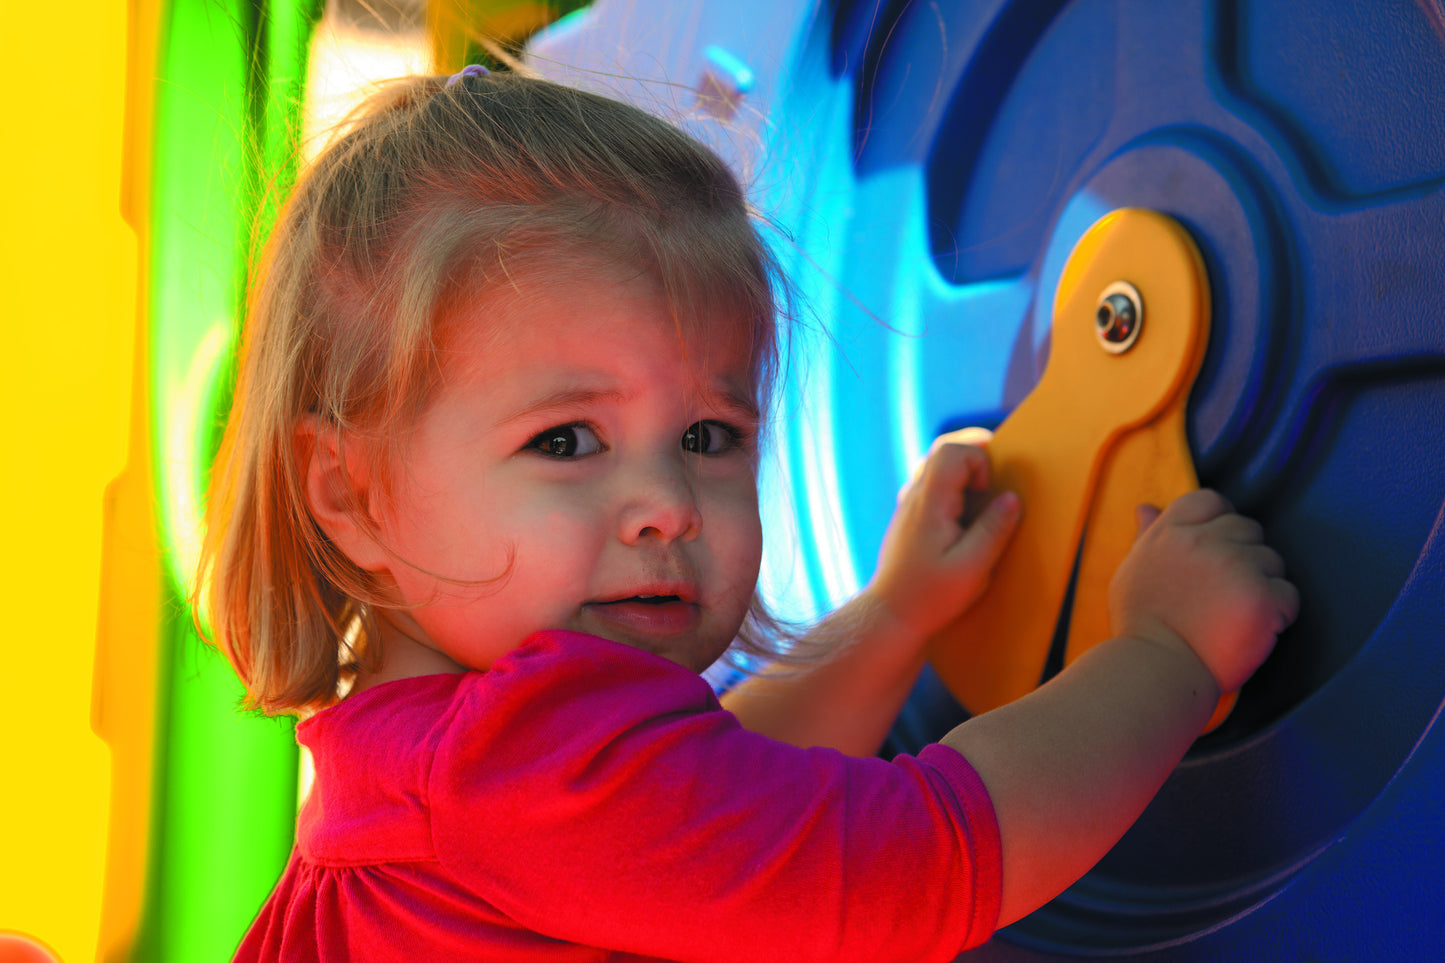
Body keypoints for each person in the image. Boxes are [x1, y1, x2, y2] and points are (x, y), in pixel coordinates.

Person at [197, 65, 1298, 962]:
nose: (666, 506)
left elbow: (726, 812)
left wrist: (898, 615)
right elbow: (917, 864)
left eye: (707, 436)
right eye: (565, 441)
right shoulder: (505, 769)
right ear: (350, 493)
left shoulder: (435, 772)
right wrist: (1166, 651)